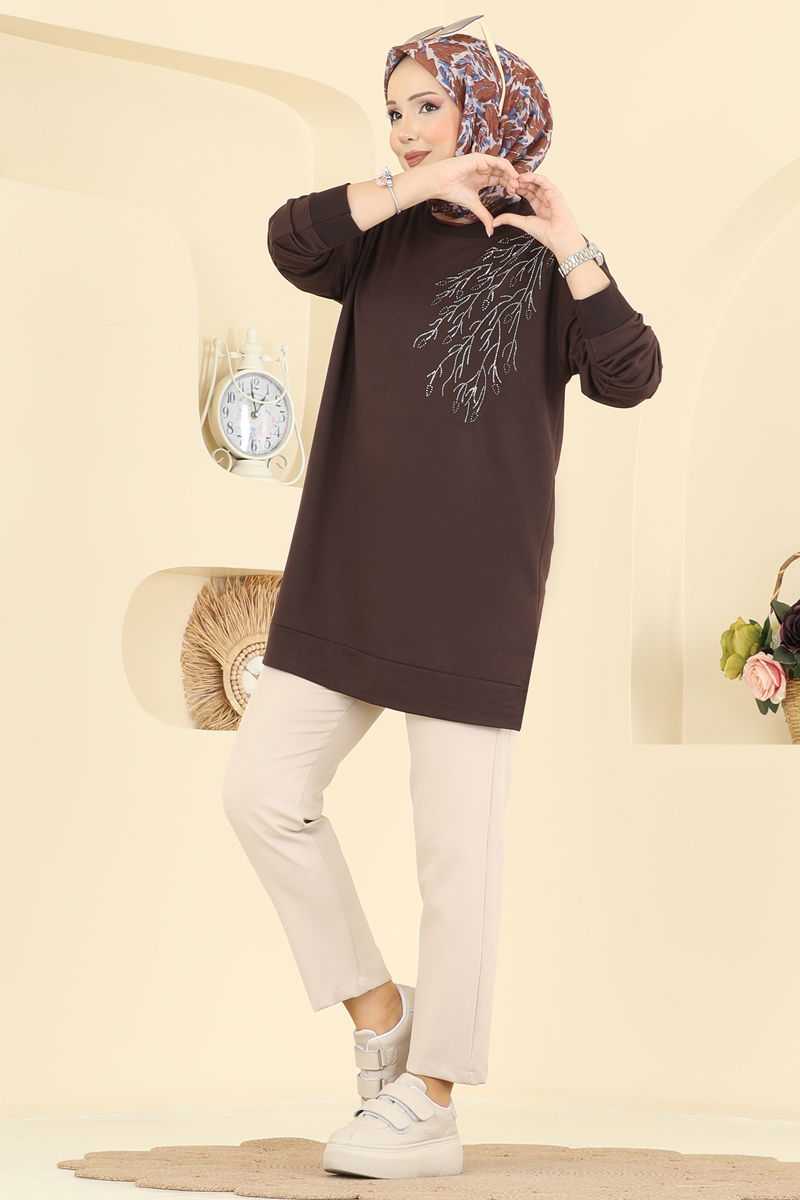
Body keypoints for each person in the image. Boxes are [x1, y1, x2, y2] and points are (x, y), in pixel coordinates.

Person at [222, 25, 663, 1182]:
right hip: (346, 570)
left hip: (471, 593)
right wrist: (409, 185)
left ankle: (429, 1098)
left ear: (487, 107)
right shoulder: (374, 233)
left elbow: (630, 375)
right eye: (396, 110)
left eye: (429, 105)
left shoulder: (545, 261)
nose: (407, 127)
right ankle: (380, 1011)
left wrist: (571, 245)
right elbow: (286, 238)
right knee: (261, 793)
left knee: (455, 858)